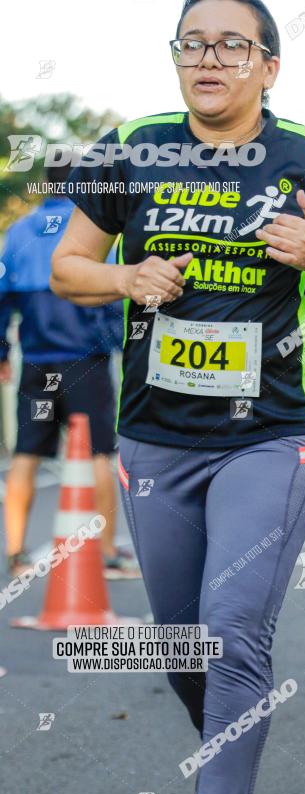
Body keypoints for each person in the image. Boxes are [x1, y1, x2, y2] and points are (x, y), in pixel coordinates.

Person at [50, 0, 305, 794]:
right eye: (193, 43)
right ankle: (238, 723)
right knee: (181, 644)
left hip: (269, 431)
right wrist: (128, 280)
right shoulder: (134, 144)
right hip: (155, 433)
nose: (211, 58)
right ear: (176, 59)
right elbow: (67, 268)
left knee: (231, 633)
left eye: (234, 44)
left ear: (270, 66)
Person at [0, 156, 139, 579]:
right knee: (100, 452)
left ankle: (17, 554)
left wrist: (3, 352)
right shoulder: (96, 233)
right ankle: (109, 552)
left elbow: (2, 296)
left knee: (26, 454)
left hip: (37, 364)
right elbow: (119, 295)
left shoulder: (19, 231)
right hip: (87, 363)